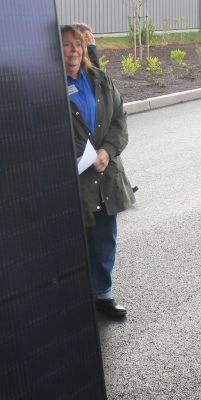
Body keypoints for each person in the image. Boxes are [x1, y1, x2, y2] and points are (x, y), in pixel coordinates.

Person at [61, 25, 135, 317]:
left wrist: (107, 151)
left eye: (77, 44)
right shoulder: (49, 86)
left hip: (105, 174)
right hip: (75, 179)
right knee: (75, 242)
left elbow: (119, 120)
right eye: (66, 44)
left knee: (105, 239)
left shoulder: (99, 79)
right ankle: (74, 296)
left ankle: (102, 293)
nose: (74, 50)